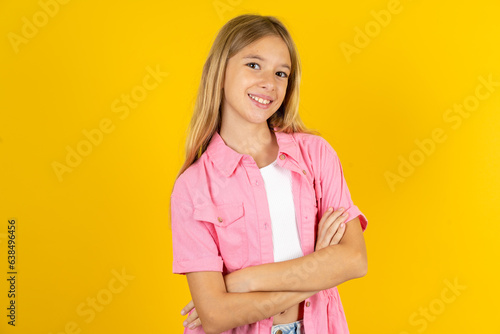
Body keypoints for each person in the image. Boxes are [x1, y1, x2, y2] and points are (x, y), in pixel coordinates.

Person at [170, 14, 368, 334]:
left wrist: (244, 281)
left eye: (281, 73)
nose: (269, 83)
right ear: (220, 71)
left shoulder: (316, 156)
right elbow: (216, 315)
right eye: (253, 65)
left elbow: (355, 260)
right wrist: (318, 271)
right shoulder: (193, 187)